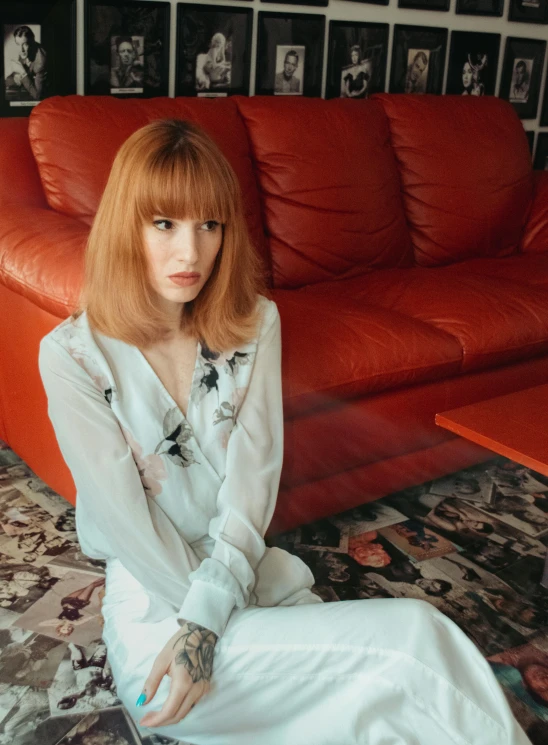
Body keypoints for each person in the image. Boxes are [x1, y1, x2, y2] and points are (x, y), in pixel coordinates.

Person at [38, 118, 532, 744]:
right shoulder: (73, 357)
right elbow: (129, 524)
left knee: (393, 715)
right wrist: (200, 628)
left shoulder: (253, 324)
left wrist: (222, 599)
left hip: (245, 578)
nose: (189, 253)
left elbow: (253, 478)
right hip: (162, 620)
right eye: (163, 223)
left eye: (208, 224)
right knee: (412, 643)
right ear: (124, 224)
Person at [4, 25, 47, 101]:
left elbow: (38, 96)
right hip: (29, 83)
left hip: (46, 95)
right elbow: (10, 80)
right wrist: (17, 75)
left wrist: (23, 73)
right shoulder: (23, 51)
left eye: (25, 44)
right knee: (7, 82)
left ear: (32, 42)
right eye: (18, 44)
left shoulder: (40, 62)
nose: (21, 50)